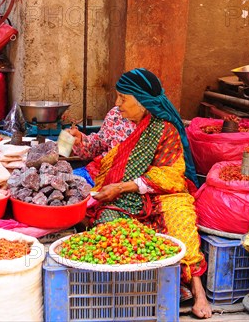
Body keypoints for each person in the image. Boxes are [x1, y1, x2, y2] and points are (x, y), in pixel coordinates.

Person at [67, 68, 212, 319]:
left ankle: (197, 290)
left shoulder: (164, 129)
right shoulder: (115, 117)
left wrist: (124, 187)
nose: (116, 103)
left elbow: (170, 175)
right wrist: (80, 139)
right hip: (116, 188)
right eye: (117, 97)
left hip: (158, 191)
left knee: (181, 220)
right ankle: (135, 290)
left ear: (143, 101)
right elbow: (100, 145)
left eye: (123, 98)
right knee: (108, 226)